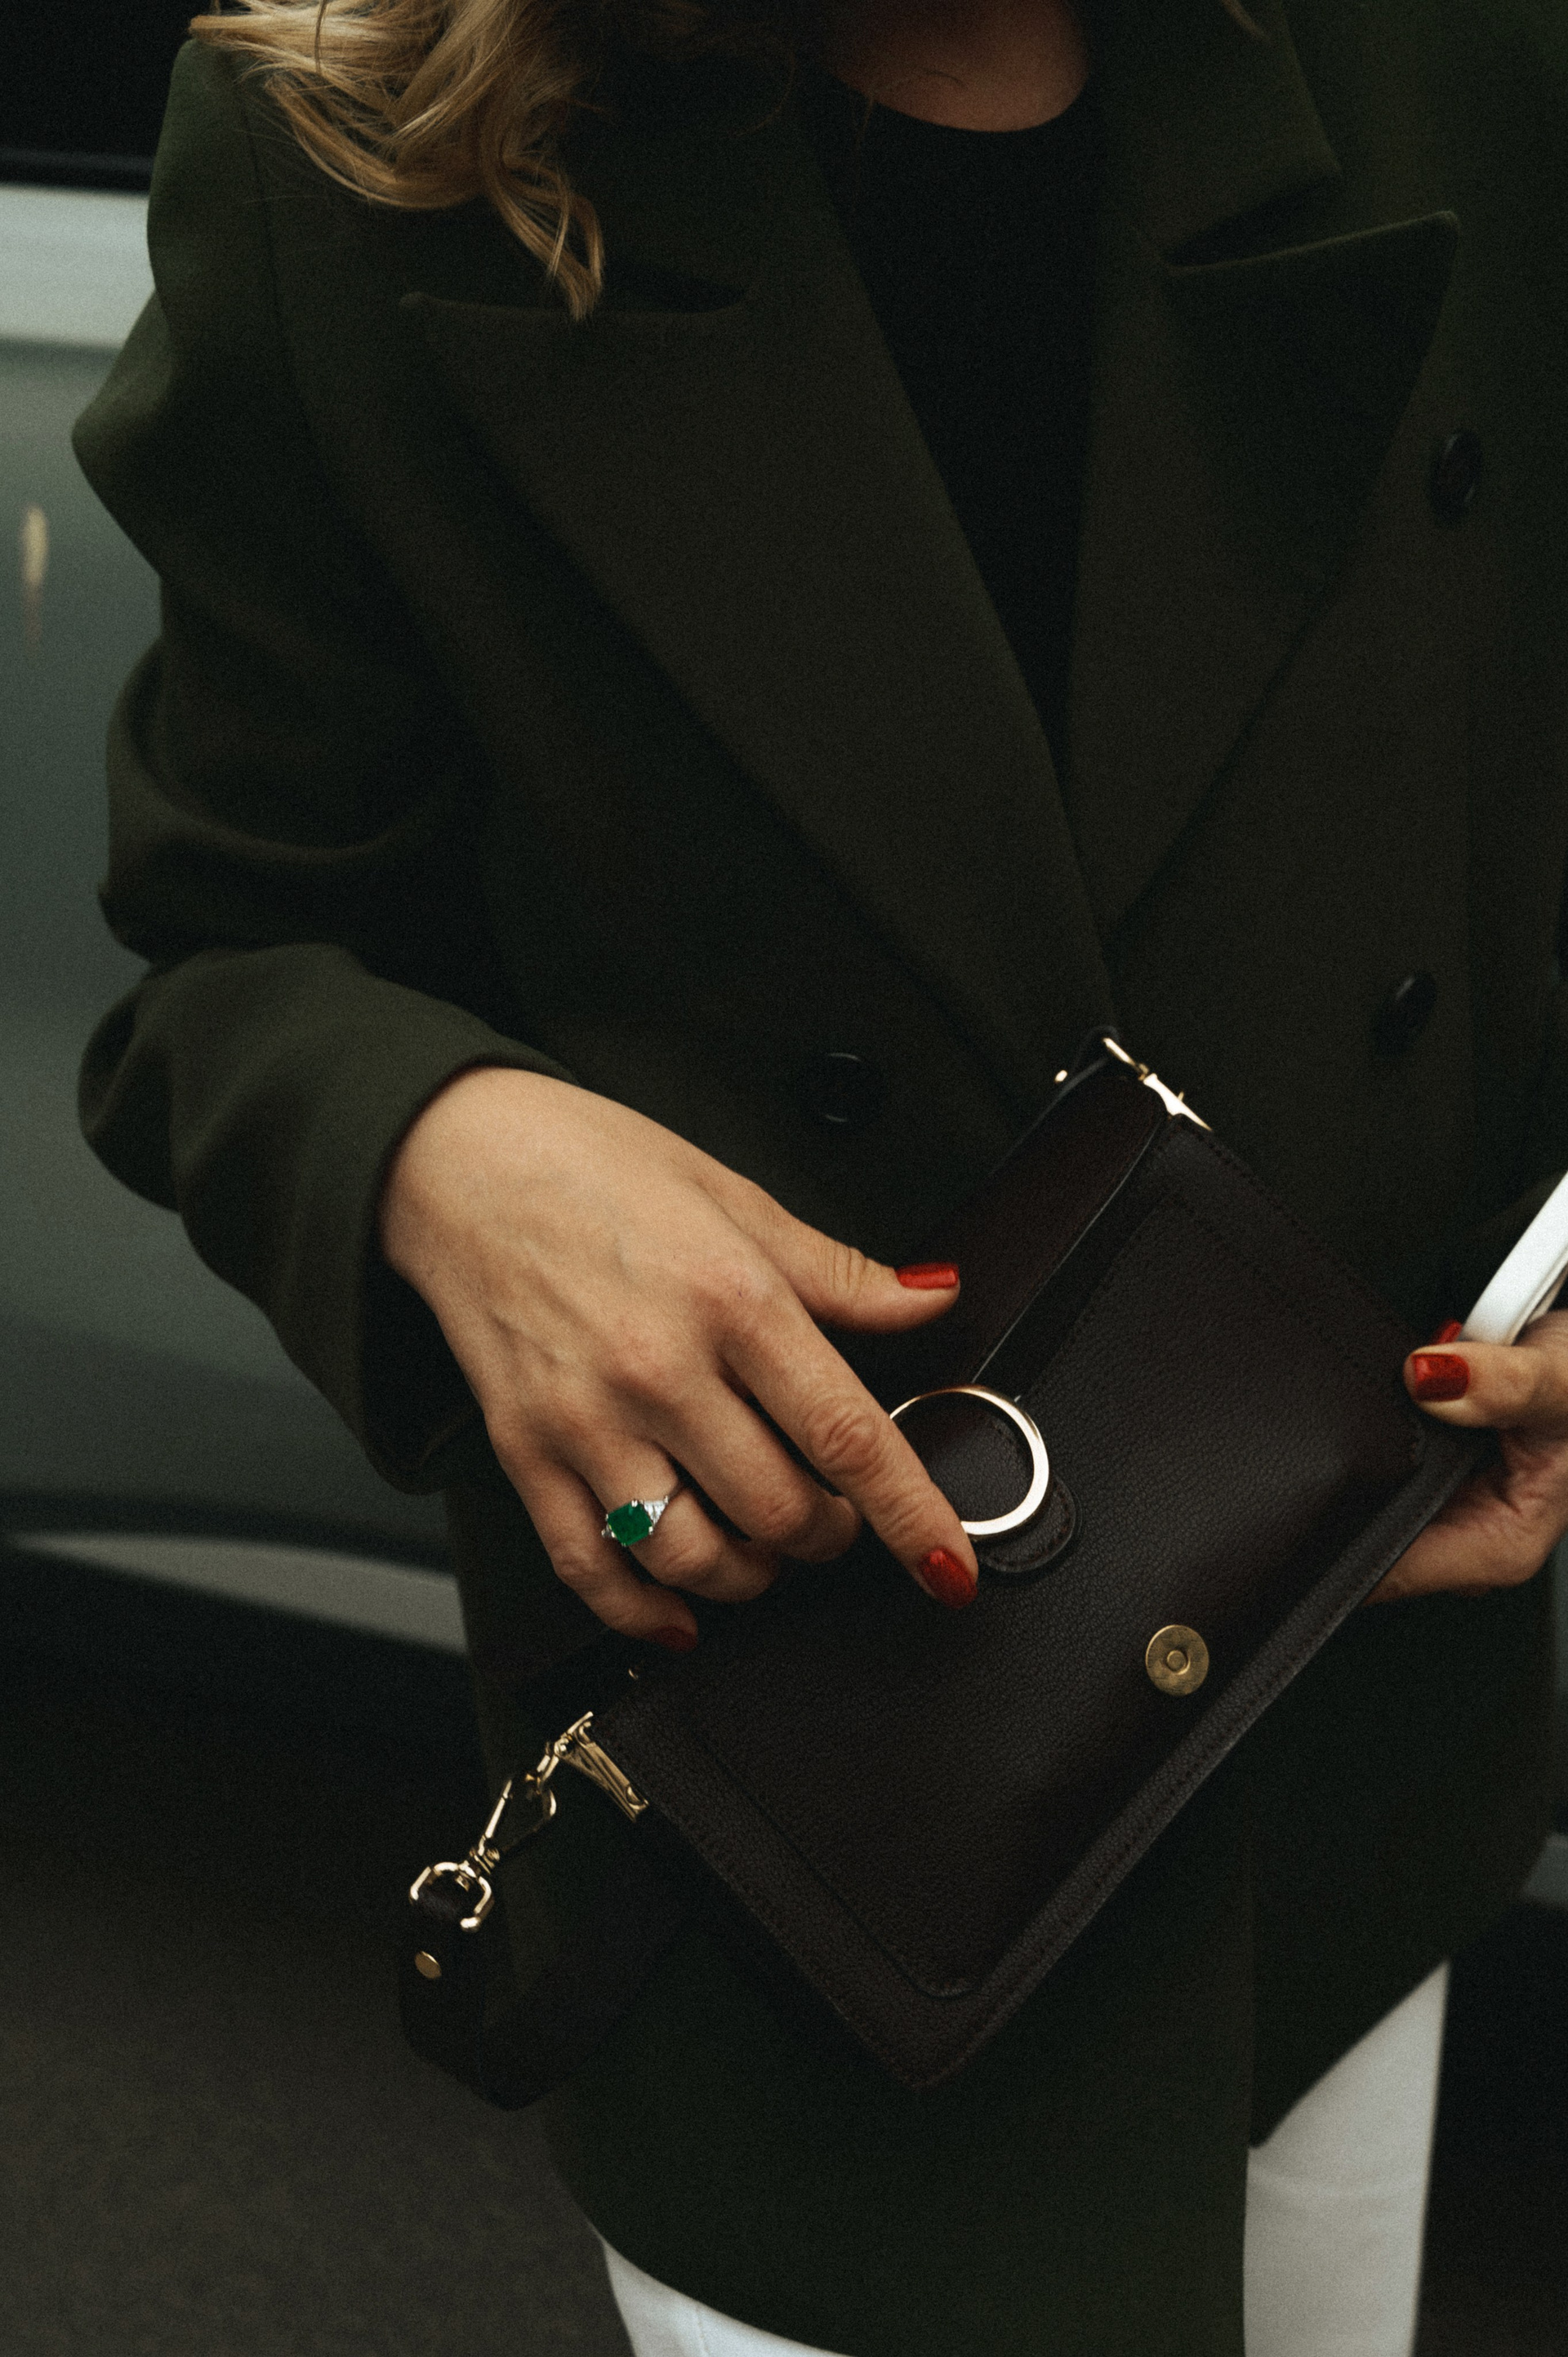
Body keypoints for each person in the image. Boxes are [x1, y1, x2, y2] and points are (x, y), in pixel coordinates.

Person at [72, 0, 1568, 2350]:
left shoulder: (1459, 56)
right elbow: (231, 946)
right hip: (820, 1804)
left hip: (1347, 1724)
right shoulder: (335, 152)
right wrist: (438, 1146)